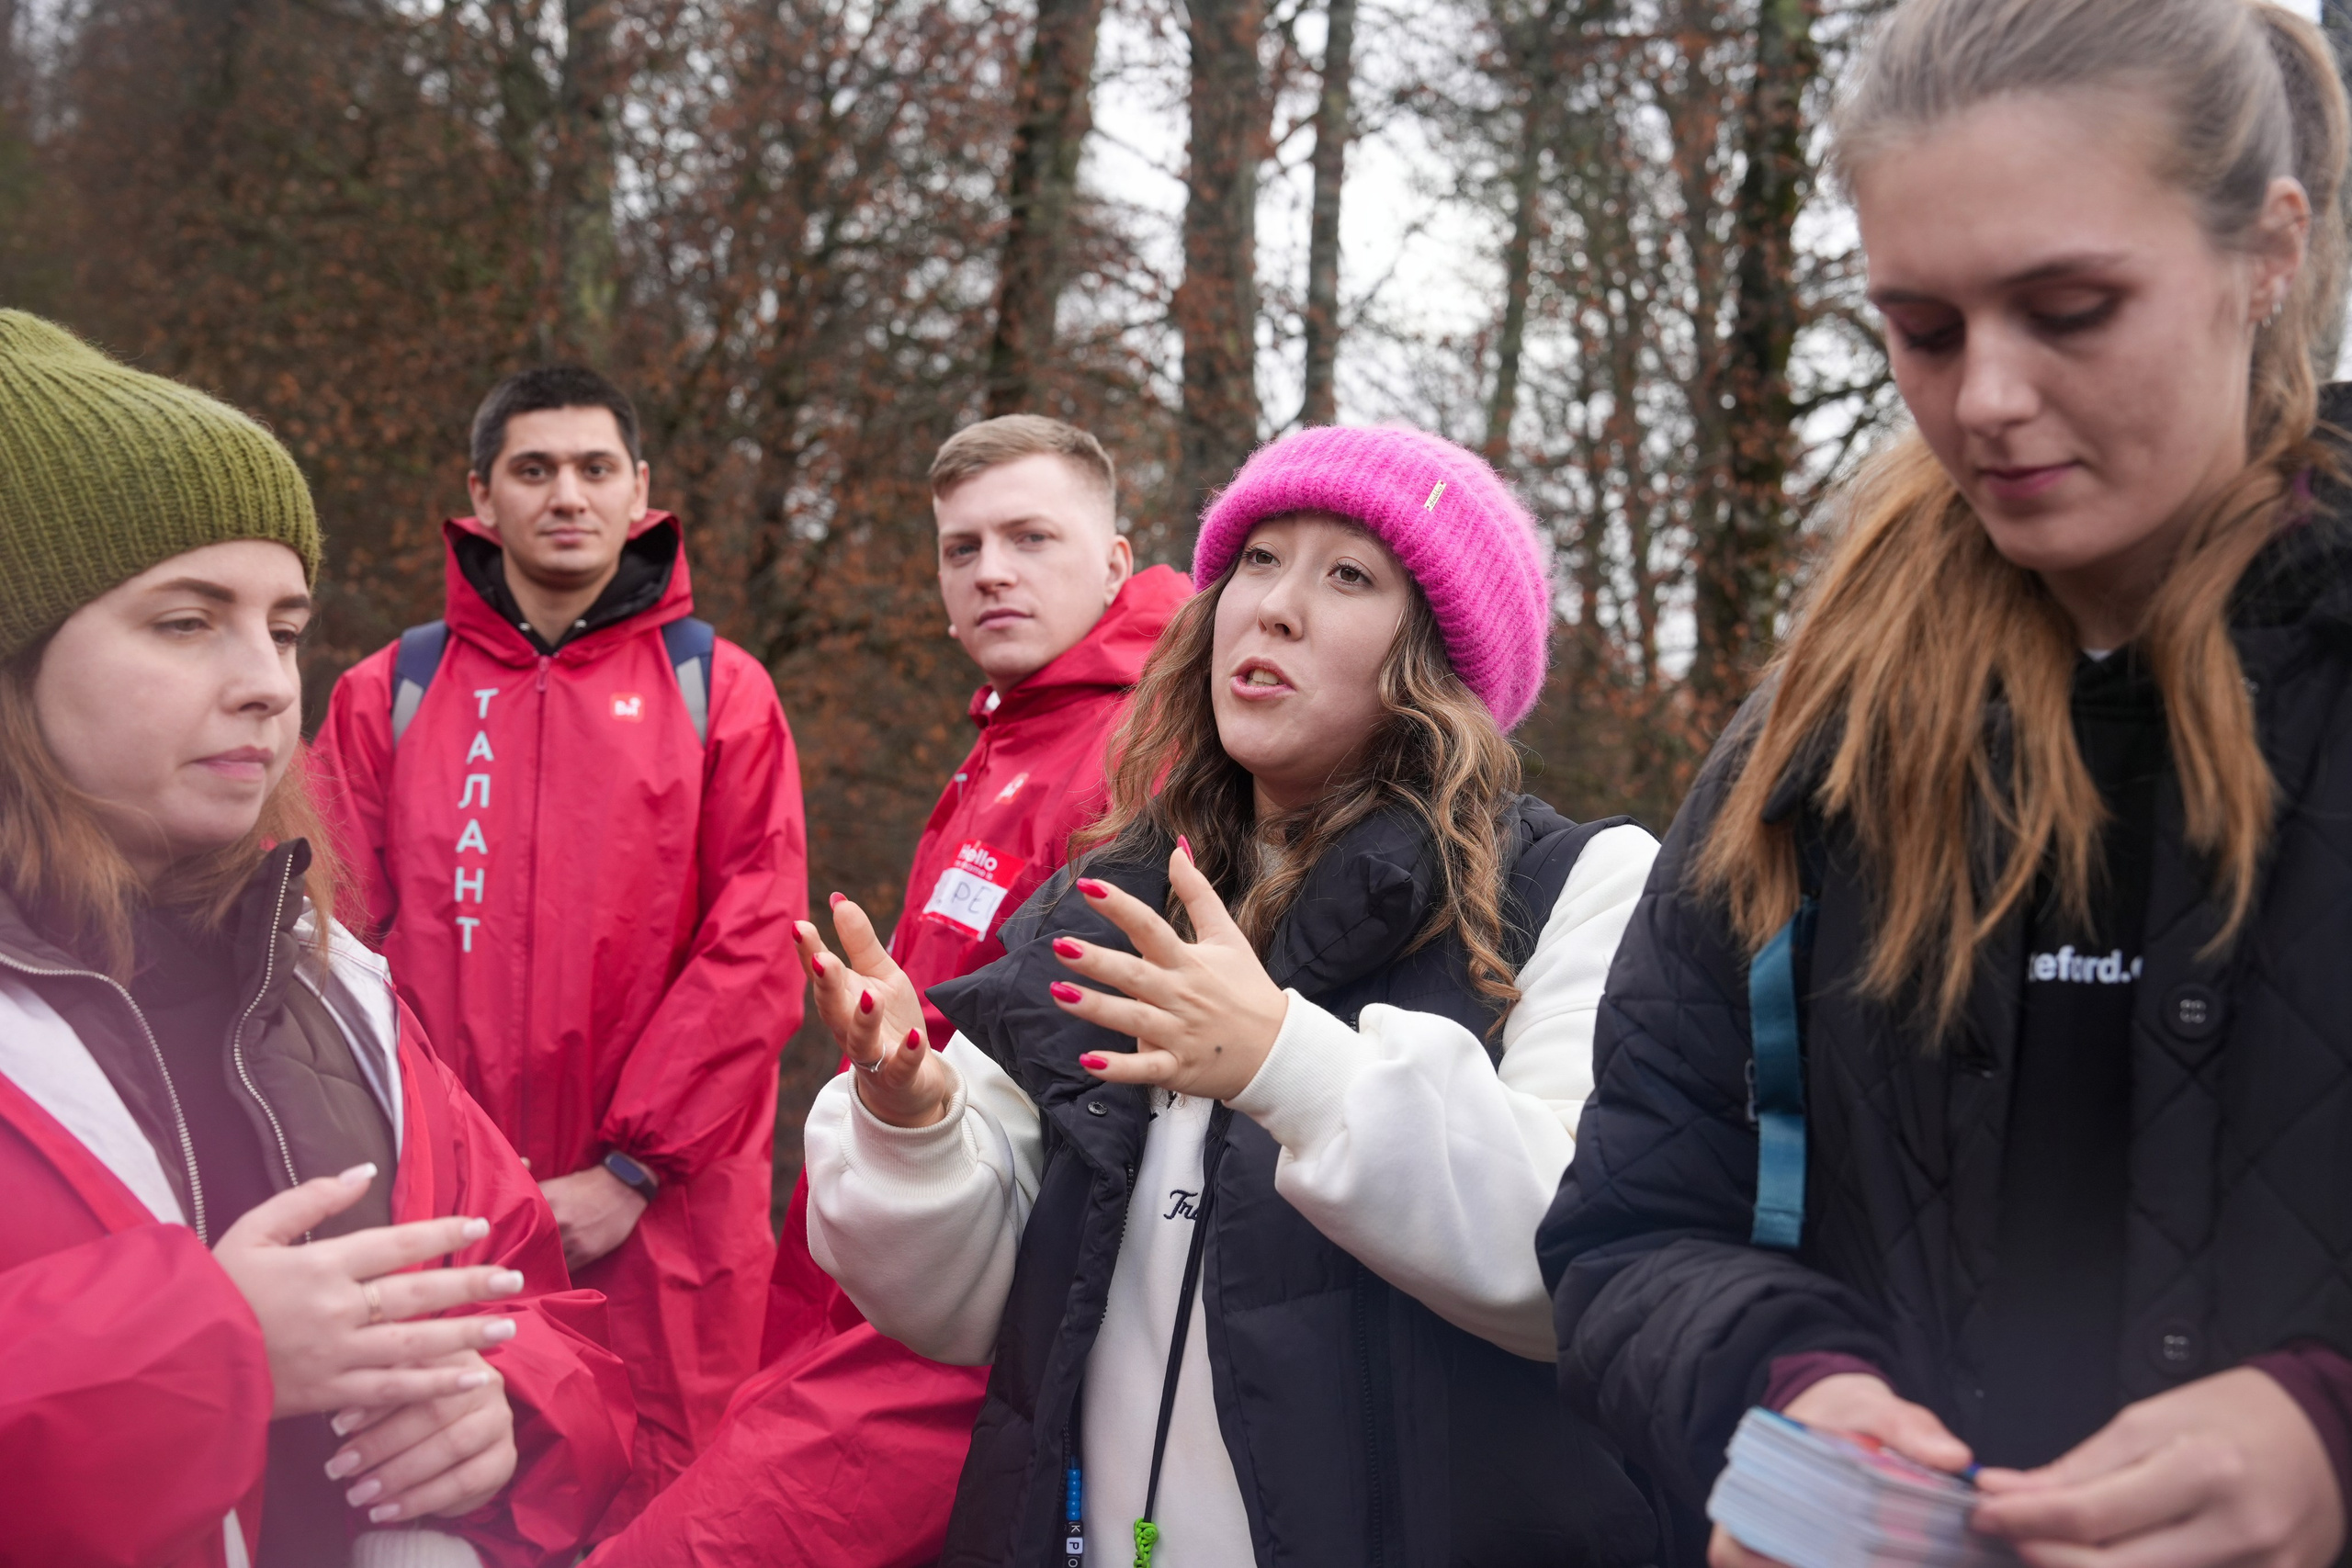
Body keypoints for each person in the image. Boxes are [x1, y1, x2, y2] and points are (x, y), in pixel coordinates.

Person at [1540, 5, 2352, 1568]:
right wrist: (1777, 1393)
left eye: (2069, 309)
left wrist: (2328, 1432)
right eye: (1923, 330)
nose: (1984, 397)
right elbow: (1632, 1223)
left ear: (2267, 251)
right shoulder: (1809, 755)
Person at [797, 425, 1666, 1567]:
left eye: (1348, 575)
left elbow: (1580, 1267)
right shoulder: (1102, 901)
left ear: (1442, 657)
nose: (1274, 608)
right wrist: (910, 1120)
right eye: (1257, 560)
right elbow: (956, 1311)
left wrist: (1285, 1065)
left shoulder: (1582, 888)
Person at [0, 310, 633, 1567]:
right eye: (186, 620)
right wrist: (205, 1349)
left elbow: (532, 1296)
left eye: (284, 626)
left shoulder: (332, 982)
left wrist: (509, 1411)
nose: (266, 681)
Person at [594, 414, 1191, 1566]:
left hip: (972, 1326)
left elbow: (1074, 1123)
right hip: (879, 1268)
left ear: (1117, 562)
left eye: (1029, 538)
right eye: (961, 548)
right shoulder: (1017, 735)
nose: (991, 572)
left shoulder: (1140, 756)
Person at [313, 366, 808, 1530]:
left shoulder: (719, 692)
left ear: (640, 491)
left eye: (595, 469)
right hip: (449, 1210)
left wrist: (631, 1169)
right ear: (480, 496)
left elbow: (756, 946)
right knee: (454, 1510)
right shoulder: (388, 693)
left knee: (666, 1515)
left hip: (663, 1220)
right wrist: (429, 1166)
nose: (566, 495)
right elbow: (325, 953)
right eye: (534, 470)